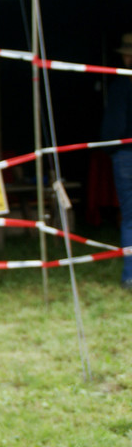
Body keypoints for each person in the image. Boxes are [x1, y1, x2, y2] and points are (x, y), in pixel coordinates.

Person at [100, 31, 132, 291]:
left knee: (131, 218)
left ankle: (130, 276)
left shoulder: (121, 84)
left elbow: (114, 125)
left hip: (126, 155)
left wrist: (111, 148)